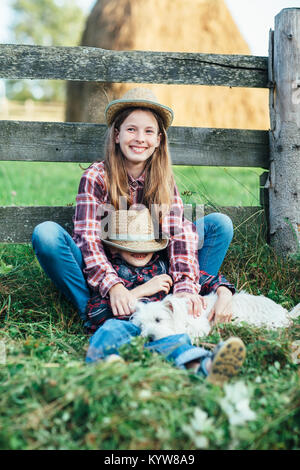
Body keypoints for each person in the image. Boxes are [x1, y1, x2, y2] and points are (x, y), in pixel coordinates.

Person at [32, 87, 234, 326]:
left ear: (158, 140)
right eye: (131, 129)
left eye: (149, 131)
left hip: (152, 267)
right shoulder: (97, 176)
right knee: (46, 235)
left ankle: (183, 304)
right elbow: (88, 239)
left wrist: (184, 286)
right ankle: (94, 311)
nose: (140, 138)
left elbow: (177, 234)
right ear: (117, 135)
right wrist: (114, 285)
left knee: (219, 225)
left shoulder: (162, 179)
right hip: (106, 270)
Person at [84, 207, 245, 386]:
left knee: (175, 341)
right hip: (128, 326)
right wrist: (142, 290)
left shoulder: (166, 266)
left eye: (147, 243)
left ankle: (203, 366)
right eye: (131, 245)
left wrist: (224, 292)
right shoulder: (113, 274)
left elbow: (205, 278)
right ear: (115, 249)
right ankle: (105, 365)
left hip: (160, 328)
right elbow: (95, 313)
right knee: (109, 330)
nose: (140, 250)